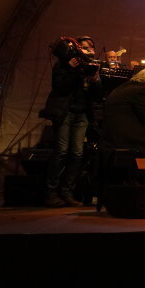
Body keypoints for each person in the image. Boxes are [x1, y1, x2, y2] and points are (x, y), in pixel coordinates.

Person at [40, 35, 100, 207]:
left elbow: (97, 95)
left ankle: (67, 191)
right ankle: (51, 192)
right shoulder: (62, 65)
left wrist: (95, 81)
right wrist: (71, 69)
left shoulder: (91, 67)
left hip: (82, 114)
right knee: (61, 151)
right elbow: (60, 88)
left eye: (90, 47)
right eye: (84, 47)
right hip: (66, 112)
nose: (87, 50)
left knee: (77, 153)